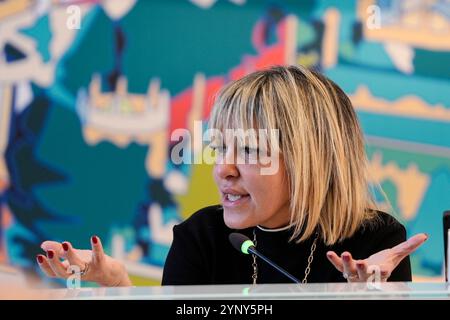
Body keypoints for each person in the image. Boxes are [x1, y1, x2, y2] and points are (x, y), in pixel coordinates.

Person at [37, 65, 427, 286]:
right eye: (221, 147)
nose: (223, 168)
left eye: (251, 150)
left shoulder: (377, 241)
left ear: (311, 159)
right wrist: (119, 284)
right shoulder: (199, 238)